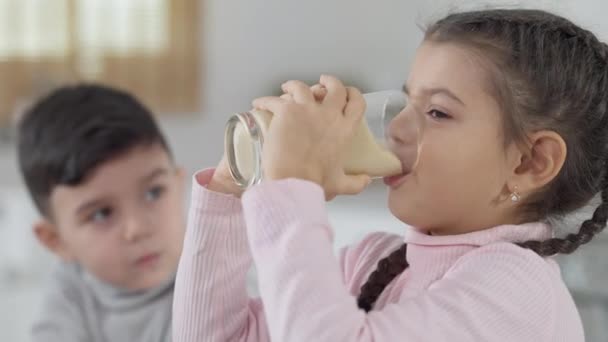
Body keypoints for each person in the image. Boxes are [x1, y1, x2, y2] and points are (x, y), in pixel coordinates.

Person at [173, 9, 608, 341]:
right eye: (406, 104)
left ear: (529, 163)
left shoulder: (517, 288)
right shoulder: (372, 261)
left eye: (437, 112)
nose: (397, 128)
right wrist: (231, 191)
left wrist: (293, 190)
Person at [18, 84, 185, 342]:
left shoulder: (223, 270)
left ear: (178, 185)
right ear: (56, 240)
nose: (137, 228)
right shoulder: (70, 294)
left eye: (154, 193)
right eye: (101, 214)